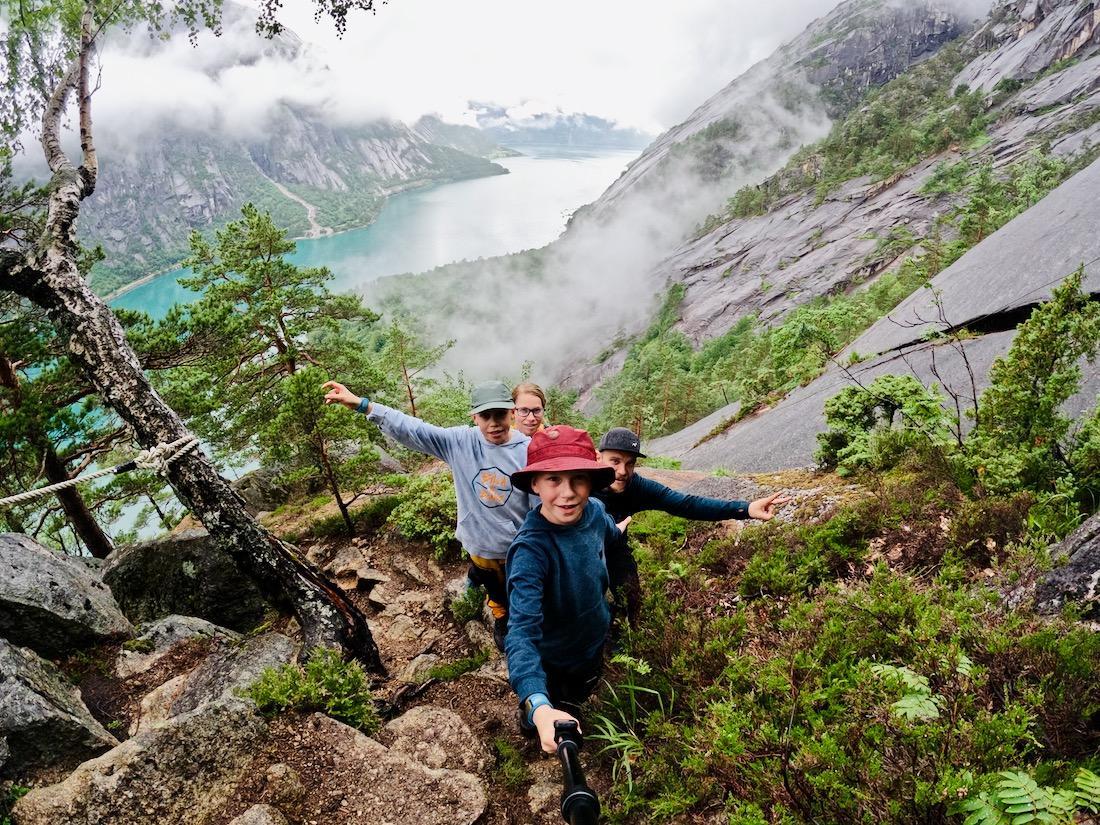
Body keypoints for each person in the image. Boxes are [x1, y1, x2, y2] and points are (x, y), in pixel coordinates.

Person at [322, 378, 534, 650]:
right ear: (474, 417)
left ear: (512, 413)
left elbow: (539, 500)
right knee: (495, 587)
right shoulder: (460, 442)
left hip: (517, 544)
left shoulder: (527, 449)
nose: (494, 423)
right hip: (480, 543)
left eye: (500, 414)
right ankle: (501, 615)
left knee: (521, 588)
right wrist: (364, 406)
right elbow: (414, 429)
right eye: (485, 415)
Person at [505, 425, 627, 754]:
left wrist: (618, 532)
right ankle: (533, 717)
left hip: (592, 643)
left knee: (579, 697)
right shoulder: (531, 551)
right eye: (554, 480)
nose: (568, 493)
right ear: (535, 483)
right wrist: (539, 705)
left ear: (592, 482)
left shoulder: (595, 513)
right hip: (554, 660)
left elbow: (606, 535)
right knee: (550, 709)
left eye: (578, 479)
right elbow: (520, 632)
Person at [595, 427, 791, 629]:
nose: (622, 471)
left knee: (631, 600)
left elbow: (687, 504)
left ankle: (625, 643)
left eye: (630, 463)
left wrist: (746, 509)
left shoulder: (638, 487)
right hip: (582, 550)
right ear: (597, 457)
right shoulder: (582, 483)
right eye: (615, 461)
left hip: (616, 549)